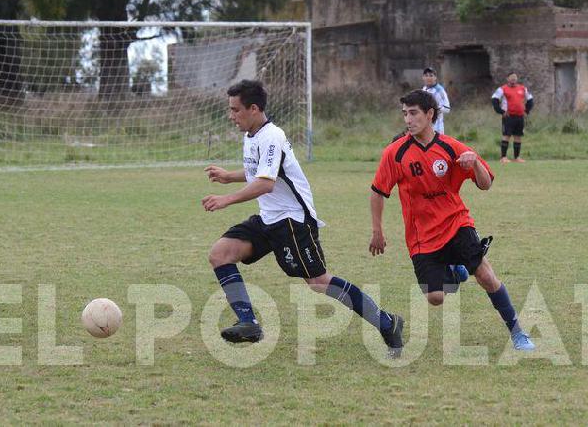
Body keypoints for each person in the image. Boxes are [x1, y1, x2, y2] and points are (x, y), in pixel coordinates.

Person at [203, 80, 406, 358]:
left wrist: (227, 199)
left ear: (253, 108)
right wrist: (229, 176)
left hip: (292, 221)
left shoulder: (271, 136)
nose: (231, 116)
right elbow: (260, 171)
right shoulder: (252, 135)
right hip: (268, 219)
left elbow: (266, 183)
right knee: (220, 254)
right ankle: (248, 322)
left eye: (235, 110)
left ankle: (387, 322)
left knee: (319, 282)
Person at [368, 89, 535, 351]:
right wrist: (377, 231)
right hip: (421, 236)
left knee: (486, 276)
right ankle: (455, 274)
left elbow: (486, 183)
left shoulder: (451, 147)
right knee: (435, 298)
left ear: (430, 114)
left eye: (413, 113)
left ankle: (518, 332)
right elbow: (378, 192)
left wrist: (476, 164)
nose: (408, 120)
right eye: (404, 114)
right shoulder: (395, 153)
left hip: (456, 223)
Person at [491, 72, 535, 163]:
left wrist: (526, 111)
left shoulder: (522, 88)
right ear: (507, 79)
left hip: (519, 116)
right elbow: (494, 100)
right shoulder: (502, 89)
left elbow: (530, 99)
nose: (513, 80)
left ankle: (517, 157)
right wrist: (501, 111)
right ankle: (503, 157)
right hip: (508, 116)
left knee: (518, 136)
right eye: (511, 78)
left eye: (515, 78)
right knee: (506, 135)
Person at [421, 67, 451, 134]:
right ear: (423, 77)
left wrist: (435, 108)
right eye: (426, 76)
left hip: (437, 127)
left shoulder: (440, 90)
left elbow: (447, 108)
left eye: (431, 75)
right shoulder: (424, 89)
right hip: (425, 127)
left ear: (435, 77)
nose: (428, 78)